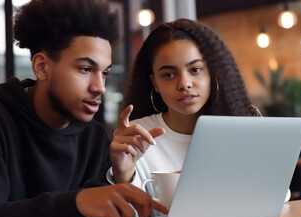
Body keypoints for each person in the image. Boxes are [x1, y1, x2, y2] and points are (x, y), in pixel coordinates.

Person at [0, 1, 167, 217]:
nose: (100, 87)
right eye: (86, 69)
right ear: (42, 67)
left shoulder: (92, 136)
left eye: (104, 73)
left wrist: (121, 174)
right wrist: (75, 203)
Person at [109, 18, 261, 191]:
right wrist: (123, 174)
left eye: (195, 70)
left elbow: (273, 194)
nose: (184, 83)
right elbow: (129, 216)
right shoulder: (137, 136)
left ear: (212, 73)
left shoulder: (244, 124)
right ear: (155, 83)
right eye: (168, 75)